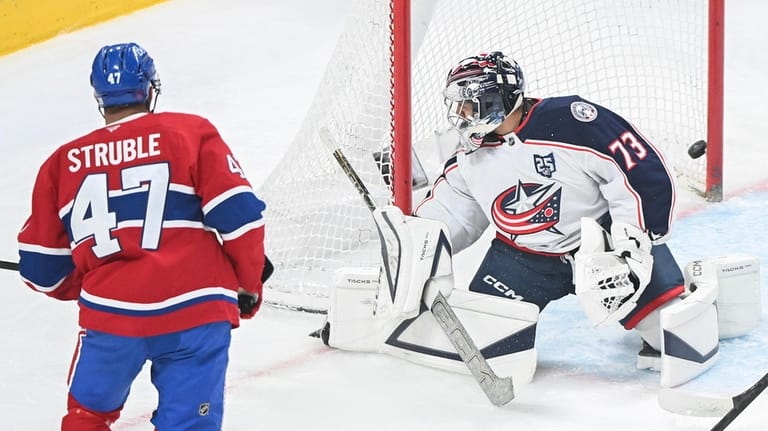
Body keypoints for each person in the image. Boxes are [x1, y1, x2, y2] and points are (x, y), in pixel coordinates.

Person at [321, 51, 747, 394]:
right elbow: (450, 213)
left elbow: (642, 174)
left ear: (500, 99)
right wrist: (416, 248)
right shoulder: (469, 154)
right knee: (479, 346)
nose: (463, 114)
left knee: (676, 342)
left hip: (599, 248)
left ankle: (700, 292)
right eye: (459, 105)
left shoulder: (574, 121)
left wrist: (631, 248)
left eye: (472, 103)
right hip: (520, 260)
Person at [17, 42, 268, 430]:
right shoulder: (190, 132)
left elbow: (42, 268)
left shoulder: (61, 163)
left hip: (110, 320)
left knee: (86, 416)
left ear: (100, 99)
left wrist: (93, 282)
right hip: (195, 311)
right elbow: (241, 220)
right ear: (150, 89)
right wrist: (248, 285)